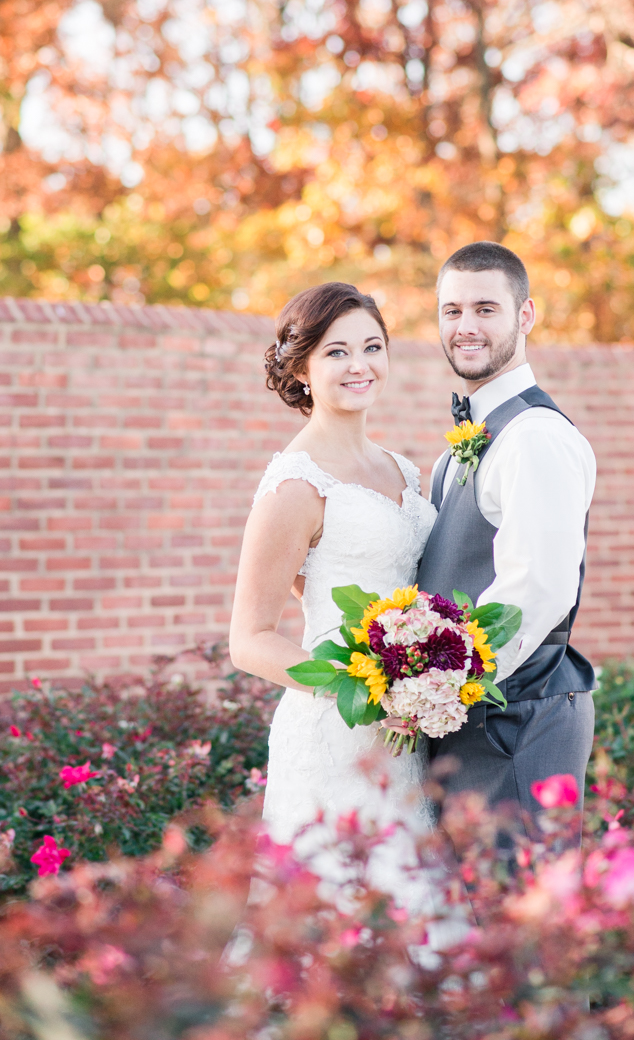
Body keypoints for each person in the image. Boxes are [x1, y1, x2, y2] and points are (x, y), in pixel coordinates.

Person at [229, 282, 437, 907]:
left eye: (372, 347)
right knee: (335, 920)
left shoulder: (404, 470)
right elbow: (249, 640)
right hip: (335, 728)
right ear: (301, 368)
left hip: (407, 730)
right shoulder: (294, 483)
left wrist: (423, 681)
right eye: (336, 352)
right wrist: (369, 685)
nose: (359, 365)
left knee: (411, 903)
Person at [416, 242, 597, 837]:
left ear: (526, 316)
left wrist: (441, 688)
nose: (465, 326)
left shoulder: (534, 436)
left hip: (513, 724)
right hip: (475, 724)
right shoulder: (462, 442)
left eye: (485, 309)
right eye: (451, 311)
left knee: (519, 917)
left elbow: (537, 589)